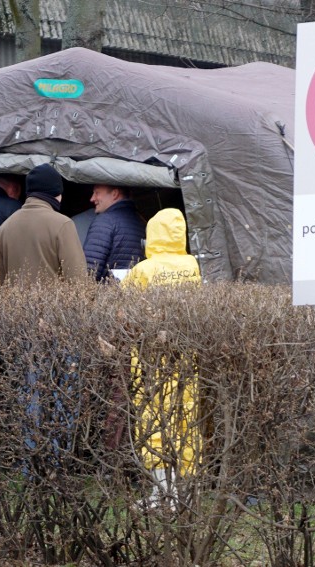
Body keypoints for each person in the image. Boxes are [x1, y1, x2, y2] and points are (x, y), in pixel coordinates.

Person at [122, 208, 201, 509]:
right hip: (186, 359)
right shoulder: (193, 265)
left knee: (153, 420)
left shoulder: (143, 270)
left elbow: (125, 313)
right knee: (186, 419)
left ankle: (161, 493)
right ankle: (184, 493)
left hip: (151, 360)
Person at [0, 163, 86, 284]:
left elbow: (2, 281)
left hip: (14, 303)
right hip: (53, 302)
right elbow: (78, 279)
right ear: (57, 193)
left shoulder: (5, 227)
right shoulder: (63, 224)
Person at [82, 184, 145, 281]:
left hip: (107, 293)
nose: (92, 198)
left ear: (115, 194)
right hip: (136, 293)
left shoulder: (104, 221)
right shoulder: (142, 222)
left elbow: (89, 271)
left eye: (97, 193)